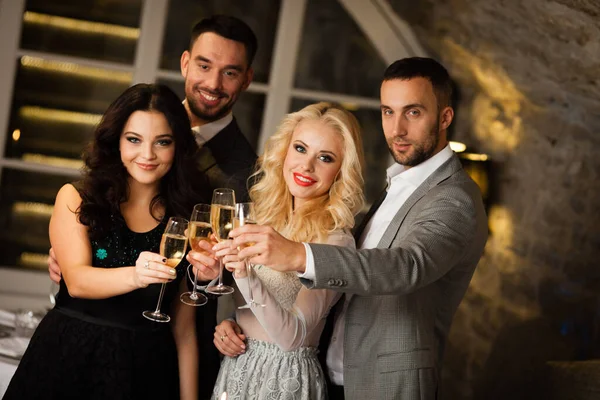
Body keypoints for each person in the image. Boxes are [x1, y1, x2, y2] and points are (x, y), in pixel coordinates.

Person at [228, 57, 489, 400]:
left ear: (444, 117)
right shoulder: (397, 186)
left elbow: (405, 266)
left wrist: (298, 255)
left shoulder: (455, 198)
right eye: (387, 111)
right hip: (327, 375)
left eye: (413, 112)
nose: (396, 129)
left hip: (383, 383)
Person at [47, 15, 259, 399]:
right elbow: (78, 266)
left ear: (247, 79)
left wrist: (213, 278)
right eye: (204, 66)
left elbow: (236, 278)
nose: (212, 83)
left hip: (159, 348)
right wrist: (72, 245)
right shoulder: (137, 118)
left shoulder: (248, 175)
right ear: (185, 63)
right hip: (73, 348)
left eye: (230, 73)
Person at [5, 84, 212, 400]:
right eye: (134, 140)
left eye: (163, 142)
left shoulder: (186, 218)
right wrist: (136, 274)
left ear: (179, 146)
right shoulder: (76, 198)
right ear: (116, 141)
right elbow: (76, 281)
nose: (147, 155)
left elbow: (183, 330)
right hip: (68, 358)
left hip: (147, 372)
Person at [210, 102, 365, 399]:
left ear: (341, 171)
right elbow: (255, 310)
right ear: (284, 150)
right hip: (237, 369)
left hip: (285, 380)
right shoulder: (258, 216)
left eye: (325, 157)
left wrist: (242, 272)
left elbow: (292, 338)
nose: (306, 166)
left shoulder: (335, 242)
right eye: (300, 148)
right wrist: (229, 325)